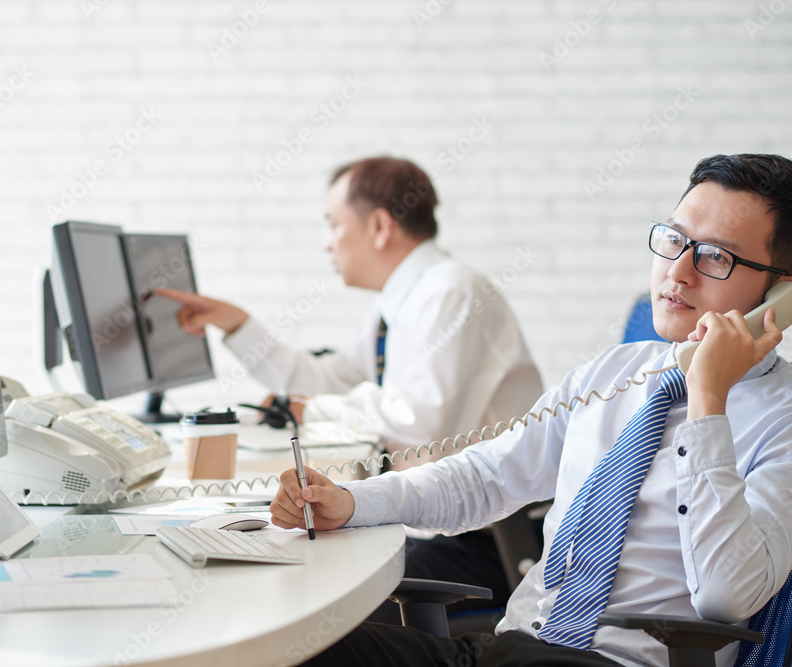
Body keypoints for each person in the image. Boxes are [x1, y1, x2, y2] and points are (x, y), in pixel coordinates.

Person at [269, 153, 792, 667]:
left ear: (780, 295)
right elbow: (487, 474)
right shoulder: (616, 373)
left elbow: (725, 594)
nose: (678, 270)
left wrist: (709, 402)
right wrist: (350, 503)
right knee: (293, 644)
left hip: (615, 663)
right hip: (507, 648)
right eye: (674, 239)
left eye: (716, 256)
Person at [159, 156, 544, 618]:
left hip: (486, 541)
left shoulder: (451, 293)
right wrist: (237, 325)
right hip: (440, 520)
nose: (327, 244)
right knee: (298, 566)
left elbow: (423, 424)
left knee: (315, 598)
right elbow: (328, 378)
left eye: (334, 225)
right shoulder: (403, 300)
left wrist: (312, 410)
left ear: (379, 226)